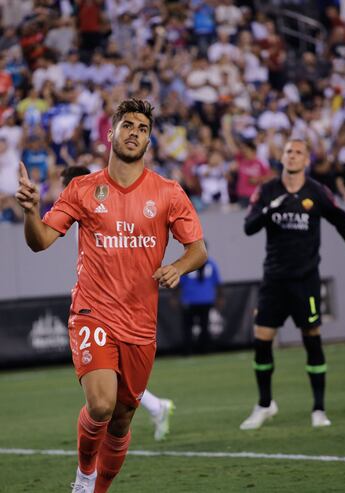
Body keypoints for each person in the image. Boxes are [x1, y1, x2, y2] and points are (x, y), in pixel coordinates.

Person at [15, 98, 207, 493]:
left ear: (149, 141)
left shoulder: (168, 192)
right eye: (128, 125)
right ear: (111, 132)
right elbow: (41, 242)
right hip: (92, 312)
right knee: (100, 404)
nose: (134, 132)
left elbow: (198, 250)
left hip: (140, 323)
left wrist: (178, 266)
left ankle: (97, 491)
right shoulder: (82, 189)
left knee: (121, 418)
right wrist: (32, 212)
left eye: (142, 129)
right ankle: (83, 480)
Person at [240, 139, 345, 430]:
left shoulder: (317, 192)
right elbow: (248, 227)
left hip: (306, 281)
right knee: (262, 341)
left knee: (312, 339)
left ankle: (318, 409)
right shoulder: (267, 190)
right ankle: (265, 404)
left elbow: (341, 223)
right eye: (288, 151)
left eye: (298, 152)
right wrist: (269, 210)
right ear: (281, 157)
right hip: (274, 280)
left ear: (306, 160)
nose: (292, 156)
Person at [62, 166, 176, 442]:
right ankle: (157, 407)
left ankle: (157, 407)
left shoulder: (97, 214)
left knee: (115, 398)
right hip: (97, 308)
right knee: (105, 390)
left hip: (127, 310)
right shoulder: (83, 218)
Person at [179, 252, 222, 355]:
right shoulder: (187, 263)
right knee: (188, 327)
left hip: (205, 300)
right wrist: (175, 297)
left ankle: (204, 350)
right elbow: (179, 282)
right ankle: (188, 351)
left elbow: (217, 283)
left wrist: (220, 298)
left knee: (204, 326)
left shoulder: (210, 264)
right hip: (190, 299)